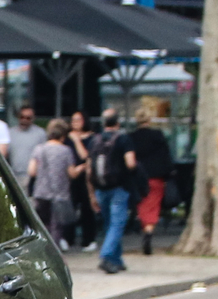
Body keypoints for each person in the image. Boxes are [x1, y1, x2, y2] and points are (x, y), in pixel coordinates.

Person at [122, 107, 175, 257]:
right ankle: (149, 230)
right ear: (149, 120)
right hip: (156, 177)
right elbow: (166, 156)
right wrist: (169, 173)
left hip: (138, 178)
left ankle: (145, 228)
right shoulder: (158, 135)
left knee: (142, 205)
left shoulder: (131, 137)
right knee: (154, 204)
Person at [93, 110, 138, 273]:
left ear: (103, 123)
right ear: (117, 123)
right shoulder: (123, 139)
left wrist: (91, 192)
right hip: (119, 187)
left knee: (109, 224)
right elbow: (131, 163)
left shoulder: (95, 139)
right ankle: (106, 256)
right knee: (118, 224)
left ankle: (116, 259)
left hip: (100, 187)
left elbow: (88, 167)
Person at [26, 118, 81, 248]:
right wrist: (82, 167)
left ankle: (41, 251)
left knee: (43, 226)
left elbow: (32, 171)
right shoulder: (66, 150)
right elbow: (72, 173)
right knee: (57, 228)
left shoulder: (39, 149)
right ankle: (54, 252)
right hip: (60, 195)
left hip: (41, 193)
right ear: (63, 135)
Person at [65, 109, 99, 246]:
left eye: (78, 120)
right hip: (71, 176)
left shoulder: (92, 138)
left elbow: (86, 156)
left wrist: (77, 140)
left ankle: (88, 239)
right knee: (70, 207)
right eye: (73, 120)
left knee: (87, 208)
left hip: (87, 176)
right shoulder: (67, 138)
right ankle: (68, 238)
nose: (75, 123)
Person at [4, 103, 46, 185]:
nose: (24, 120)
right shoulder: (10, 133)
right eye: (22, 117)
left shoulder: (40, 133)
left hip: (34, 178)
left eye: (28, 118)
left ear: (33, 118)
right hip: (14, 176)